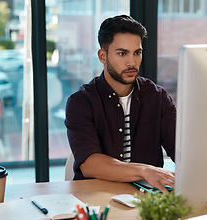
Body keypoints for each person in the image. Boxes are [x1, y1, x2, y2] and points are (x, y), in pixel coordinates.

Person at [65, 15, 176, 193]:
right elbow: (90, 164)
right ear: (103, 56)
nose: (132, 62)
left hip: (146, 200)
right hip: (96, 197)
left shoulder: (158, 97)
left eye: (137, 53)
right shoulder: (80, 102)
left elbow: (180, 150)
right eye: (122, 53)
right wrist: (145, 170)